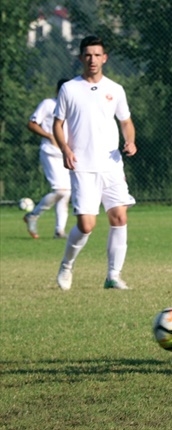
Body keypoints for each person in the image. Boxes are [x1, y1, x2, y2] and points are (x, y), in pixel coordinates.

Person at [53, 35, 137, 291]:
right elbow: (58, 124)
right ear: (81, 58)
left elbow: (126, 122)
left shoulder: (115, 89)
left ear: (104, 58)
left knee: (119, 216)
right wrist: (65, 148)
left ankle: (113, 275)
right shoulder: (69, 88)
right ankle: (67, 265)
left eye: (97, 55)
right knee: (86, 224)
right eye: (87, 55)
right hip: (83, 166)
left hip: (111, 164)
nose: (92, 59)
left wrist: (130, 141)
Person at [24, 78, 71, 239]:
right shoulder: (48, 104)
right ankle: (33, 215)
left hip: (66, 154)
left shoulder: (73, 107)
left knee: (65, 194)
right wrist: (48, 135)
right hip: (50, 152)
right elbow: (32, 124)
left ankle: (59, 231)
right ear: (58, 91)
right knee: (60, 190)